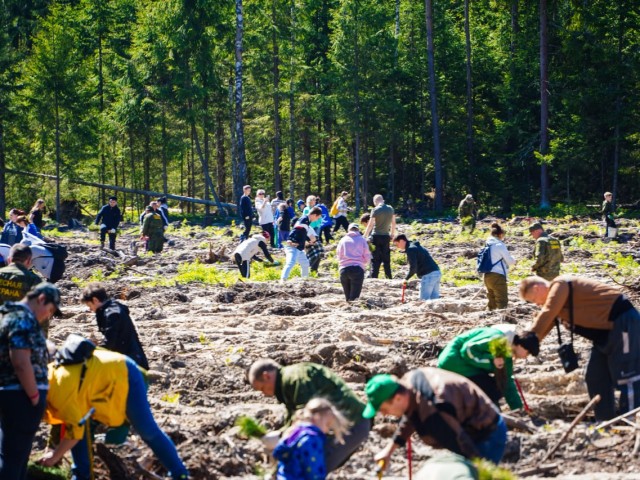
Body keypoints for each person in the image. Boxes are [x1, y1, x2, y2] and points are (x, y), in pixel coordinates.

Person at [40, 340, 189, 480]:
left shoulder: (60, 391)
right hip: (99, 384)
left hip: (125, 373)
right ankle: (82, 476)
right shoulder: (46, 381)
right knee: (81, 428)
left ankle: (180, 474)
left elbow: (73, 433)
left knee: (147, 430)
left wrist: (54, 456)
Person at [519, 275, 640, 421]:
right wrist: (525, 346)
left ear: (537, 288)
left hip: (623, 324)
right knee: (595, 377)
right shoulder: (557, 306)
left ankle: (632, 420)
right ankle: (605, 421)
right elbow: (544, 325)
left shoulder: (560, 284)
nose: (536, 304)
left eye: (533, 299)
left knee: (627, 377)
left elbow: (548, 312)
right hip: (604, 336)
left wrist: (528, 337)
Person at [364, 368, 507, 470]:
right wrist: (389, 451)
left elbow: (463, 445)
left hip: (487, 434)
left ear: (398, 398)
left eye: (383, 409)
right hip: (467, 420)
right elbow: (411, 415)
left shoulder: (434, 413)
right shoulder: (410, 380)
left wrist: (481, 470)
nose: (383, 415)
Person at [248, 359, 371, 472]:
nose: (265, 394)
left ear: (266, 376)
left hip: (351, 424)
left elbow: (307, 417)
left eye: (262, 388)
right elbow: (294, 417)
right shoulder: (288, 380)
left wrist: (282, 436)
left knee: (310, 468)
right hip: (347, 423)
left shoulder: (294, 378)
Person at [0, 283, 61, 480]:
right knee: (14, 457)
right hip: (21, 395)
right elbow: (20, 361)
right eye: (50, 310)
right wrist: (34, 395)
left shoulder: (13, 316)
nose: (47, 316)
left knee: (13, 455)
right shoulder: (22, 318)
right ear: (41, 299)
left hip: (15, 393)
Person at [437, 324, 533, 411]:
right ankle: (489, 414)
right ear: (521, 345)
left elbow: (507, 380)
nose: (526, 357)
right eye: (528, 352)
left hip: (452, 364)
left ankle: (493, 413)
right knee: (493, 388)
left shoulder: (505, 349)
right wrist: (492, 361)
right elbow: (467, 351)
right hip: (454, 363)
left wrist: (518, 409)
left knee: (496, 385)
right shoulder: (498, 340)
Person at [273, 398, 351, 480]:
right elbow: (313, 469)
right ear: (317, 418)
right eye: (327, 425)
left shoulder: (296, 431)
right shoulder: (312, 439)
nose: (327, 430)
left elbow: (277, 452)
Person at [80, 283, 149, 370]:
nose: (90, 309)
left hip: (130, 362)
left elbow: (110, 342)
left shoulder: (112, 313)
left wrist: (93, 350)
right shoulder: (113, 307)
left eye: (89, 305)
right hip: (133, 357)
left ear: (95, 300)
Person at [393, 234, 441, 301]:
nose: (397, 247)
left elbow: (413, 268)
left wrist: (406, 279)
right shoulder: (415, 246)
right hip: (436, 273)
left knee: (424, 301)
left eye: (397, 244)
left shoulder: (411, 249)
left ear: (401, 241)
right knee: (435, 301)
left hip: (428, 275)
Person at [280, 208, 321, 281]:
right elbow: (296, 229)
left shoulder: (306, 221)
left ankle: (304, 280)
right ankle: (283, 279)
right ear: (314, 215)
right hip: (293, 245)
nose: (317, 219)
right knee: (291, 262)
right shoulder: (304, 220)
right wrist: (290, 239)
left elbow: (303, 232)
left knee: (305, 263)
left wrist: (310, 240)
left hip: (299, 247)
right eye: (318, 217)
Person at [482, 223, 516, 310]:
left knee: (492, 301)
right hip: (498, 276)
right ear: (500, 234)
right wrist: (514, 260)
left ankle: (490, 319)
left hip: (487, 276)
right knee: (502, 301)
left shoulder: (487, 244)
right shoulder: (499, 245)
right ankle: (501, 320)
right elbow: (510, 261)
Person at [364, 194, 396, 279]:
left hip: (376, 236)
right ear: (383, 200)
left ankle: (374, 277)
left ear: (375, 201)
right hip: (386, 236)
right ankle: (389, 277)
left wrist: (364, 236)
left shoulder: (375, 210)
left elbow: (370, 225)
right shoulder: (390, 209)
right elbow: (393, 223)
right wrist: (392, 234)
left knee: (375, 259)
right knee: (386, 259)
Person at [336, 223, 371, 301]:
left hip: (344, 269)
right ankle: (352, 310)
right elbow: (367, 254)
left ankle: (346, 310)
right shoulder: (362, 239)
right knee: (354, 298)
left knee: (347, 297)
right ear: (358, 230)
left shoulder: (343, 240)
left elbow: (338, 254)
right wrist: (365, 264)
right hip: (357, 269)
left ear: (348, 230)